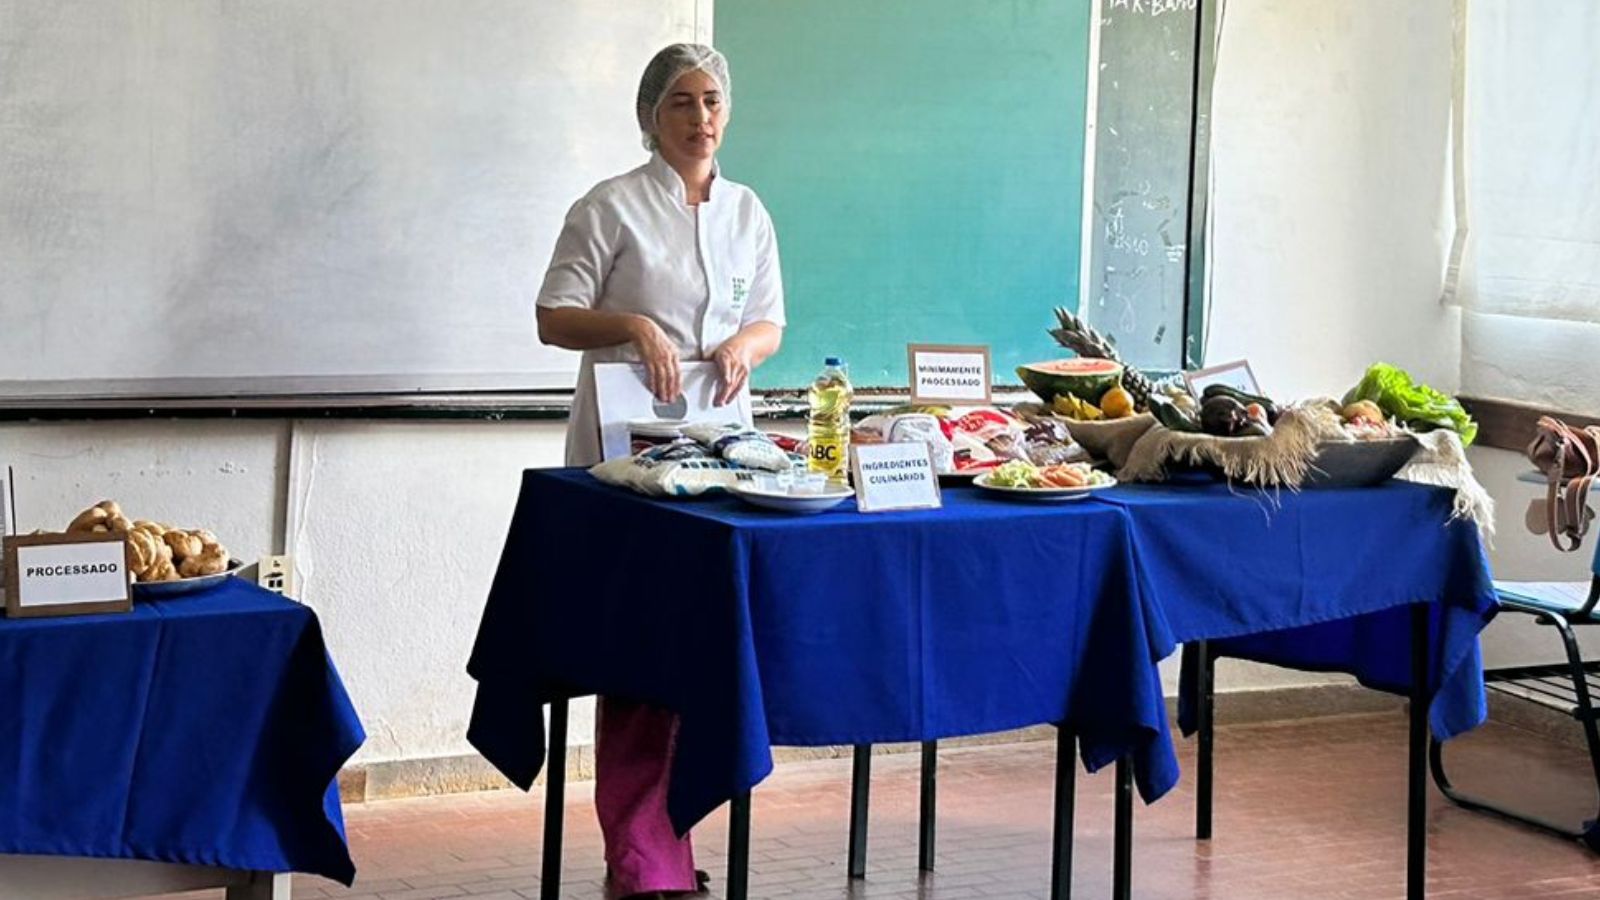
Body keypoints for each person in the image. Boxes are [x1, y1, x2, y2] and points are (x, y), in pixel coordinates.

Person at [533, 44, 785, 899]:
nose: (700, 117)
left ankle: (670, 838)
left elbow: (770, 321)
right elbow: (553, 317)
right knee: (641, 651)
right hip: (624, 460)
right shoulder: (609, 206)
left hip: (721, 458)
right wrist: (634, 326)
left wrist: (747, 345)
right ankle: (640, 857)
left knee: (703, 649)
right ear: (651, 115)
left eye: (712, 100)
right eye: (681, 101)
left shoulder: (749, 211)